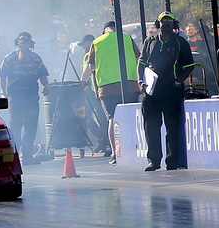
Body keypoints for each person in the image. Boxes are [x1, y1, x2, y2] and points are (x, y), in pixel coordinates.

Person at [138, 12, 195, 171]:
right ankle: (153, 160)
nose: (166, 23)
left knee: (173, 127)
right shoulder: (149, 41)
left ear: (174, 24)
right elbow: (141, 63)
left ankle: (172, 161)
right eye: (163, 21)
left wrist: (178, 81)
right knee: (151, 127)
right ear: (158, 24)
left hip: (172, 91)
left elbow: (189, 66)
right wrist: (140, 81)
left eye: (169, 21)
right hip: (151, 92)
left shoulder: (180, 42)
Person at [82, 20, 141, 163]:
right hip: (130, 84)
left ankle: (115, 153)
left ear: (104, 30)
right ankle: (135, 149)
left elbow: (90, 68)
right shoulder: (127, 38)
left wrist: (83, 81)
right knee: (131, 117)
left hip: (107, 88)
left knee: (112, 118)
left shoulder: (97, 42)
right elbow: (139, 58)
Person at [0, 31, 49, 164]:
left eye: (25, 44)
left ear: (30, 45)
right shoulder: (9, 58)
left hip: (32, 99)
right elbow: (2, 76)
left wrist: (46, 85)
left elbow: (43, 74)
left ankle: (27, 156)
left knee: (30, 127)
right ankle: (15, 155)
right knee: (15, 127)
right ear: (17, 44)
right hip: (15, 100)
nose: (23, 46)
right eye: (21, 44)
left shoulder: (36, 59)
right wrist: (3, 92)